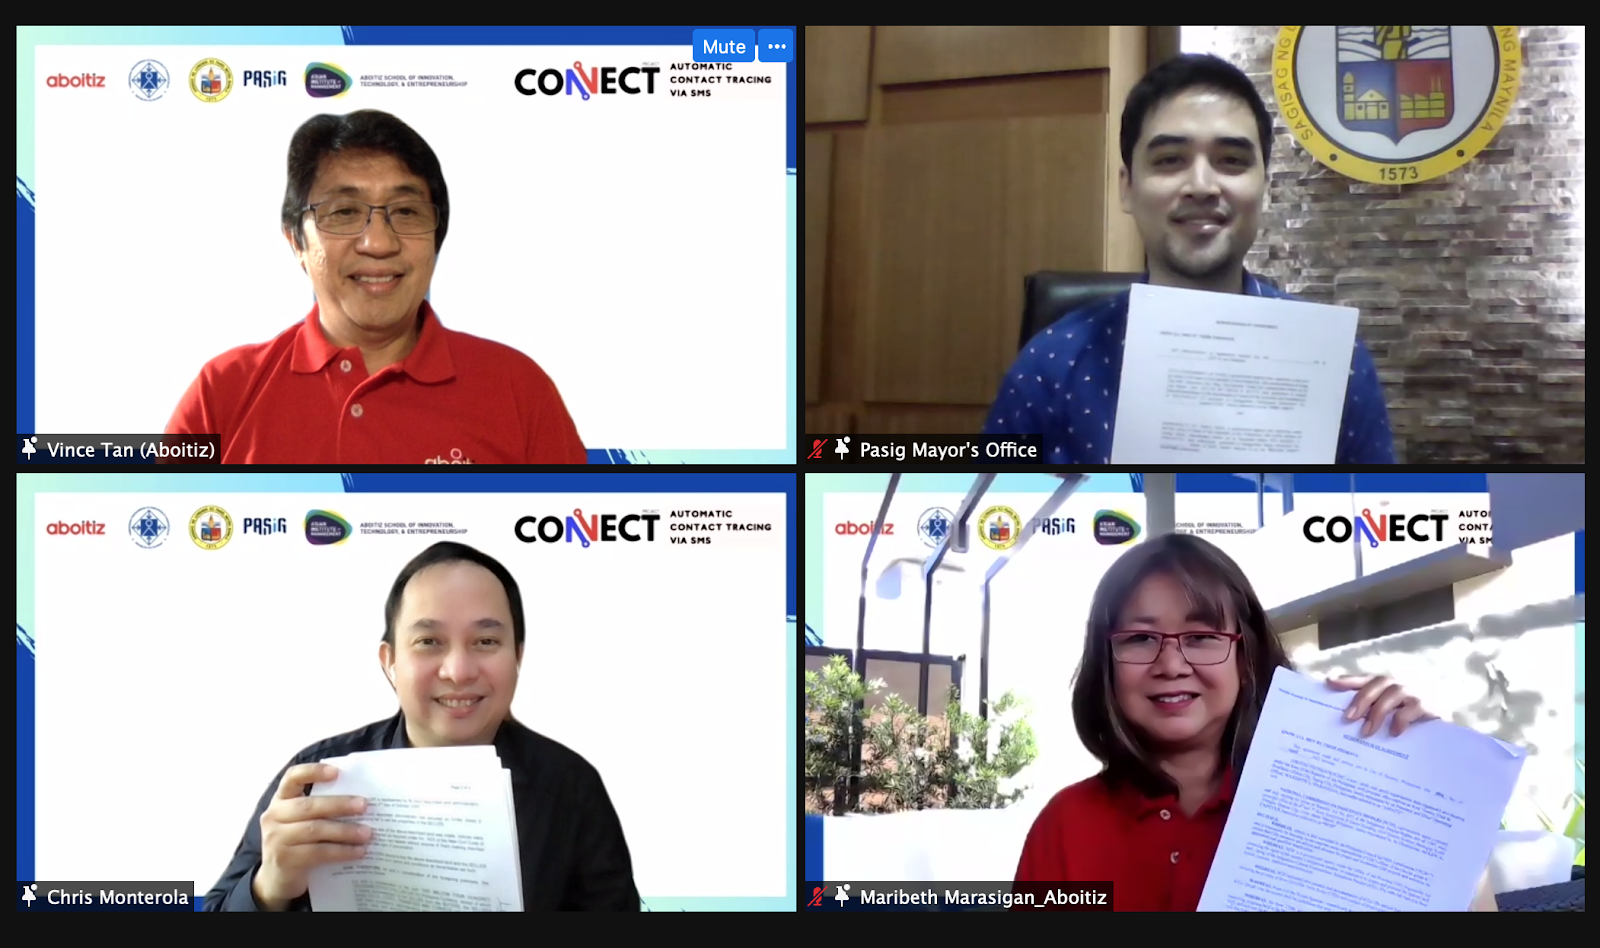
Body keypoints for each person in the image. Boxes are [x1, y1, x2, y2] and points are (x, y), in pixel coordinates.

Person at [1012, 532, 1496, 911]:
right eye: (1140, 638)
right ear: (1107, 663)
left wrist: (1425, 788)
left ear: (1246, 656)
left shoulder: (1326, 795)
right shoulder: (1067, 823)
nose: (1171, 664)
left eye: (1202, 636)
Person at [982, 54, 1395, 464]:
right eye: (1169, 161)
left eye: (1231, 161)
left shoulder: (1340, 366)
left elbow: (1376, 519)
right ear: (1127, 188)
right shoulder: (1049, 367)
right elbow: (982, 522)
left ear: (1264, 187)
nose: (1201, 186)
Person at [203, 541, 638, 910]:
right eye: (429, 642)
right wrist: (267, 888)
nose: (459, 670)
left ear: (518, 657)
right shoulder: (317, 776)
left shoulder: (571, 786)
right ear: (389, 661)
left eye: (486, 641)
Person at [166, 109, 587, 464]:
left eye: (405, 212)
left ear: (437, 239)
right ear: (296, 241)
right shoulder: (221, 392)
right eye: (345, 212)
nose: (379, 243)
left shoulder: (518, 389)